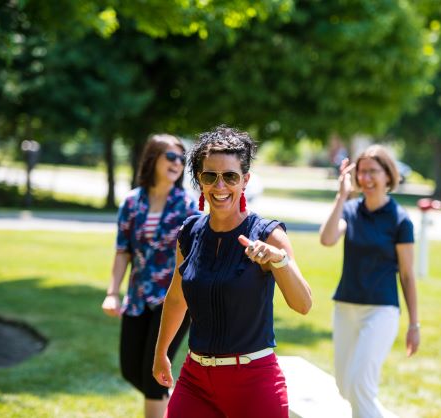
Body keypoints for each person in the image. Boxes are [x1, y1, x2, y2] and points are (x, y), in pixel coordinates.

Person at [152, 125, 312, 418]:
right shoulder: (189, 232)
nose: (220, 186)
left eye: (230, 176)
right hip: (196, 379)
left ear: (245, 180)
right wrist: (161, 352)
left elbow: (303, 304)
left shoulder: (267, 234)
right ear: (200, 180)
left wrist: (279, 261)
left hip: (254, 381)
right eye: (210, 176)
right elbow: (176, 299)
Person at [101, 134, 199, 418]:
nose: (178, 163)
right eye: (171, 156)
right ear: (152, 158)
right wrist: (112, 292)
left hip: (175, 299)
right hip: (138, 298)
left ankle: (162, 405)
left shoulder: (186, 204)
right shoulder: (132, 202)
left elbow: (197, 253)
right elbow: (123, 251)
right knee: (131, 369)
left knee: (153, 375)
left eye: (182, 159)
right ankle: (174, 407)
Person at [319, 144, 420, 418]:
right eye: (361, 172)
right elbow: (327, 239)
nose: (366, 178)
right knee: (344, 386)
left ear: (388, 176)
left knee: (360, 385)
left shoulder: (400, 220)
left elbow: (408, 275)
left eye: (373, 172)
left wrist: (414, 324)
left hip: (381, 310)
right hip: (346, 307)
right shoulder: (350, 211)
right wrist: (342, 195)